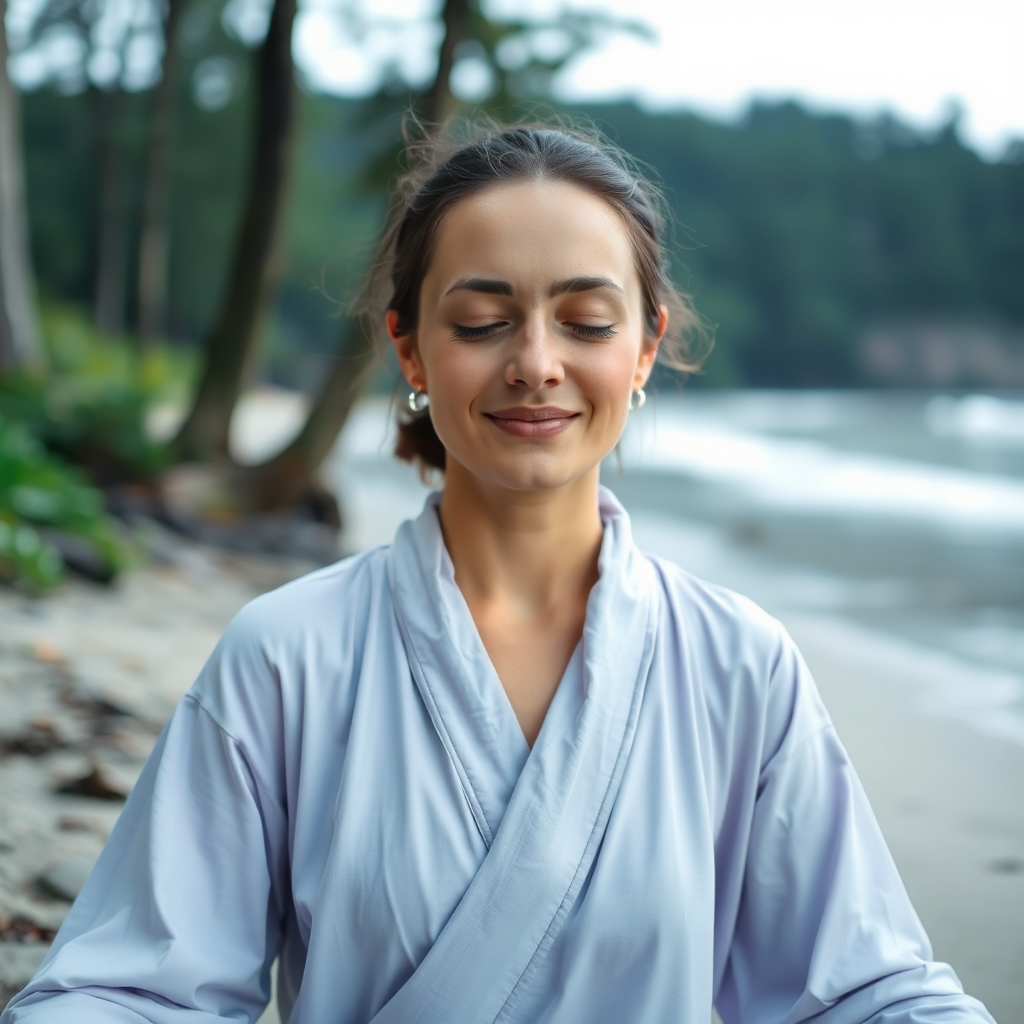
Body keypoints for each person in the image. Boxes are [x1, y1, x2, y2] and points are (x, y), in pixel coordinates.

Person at [2, 123, 995, 1024]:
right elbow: (126, 988)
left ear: (646, 347)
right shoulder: (286, 656)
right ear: (411, 348)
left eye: (586, 321)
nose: (533, 362)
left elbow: (866, 991)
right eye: (481, 320)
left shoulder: (739, 667)